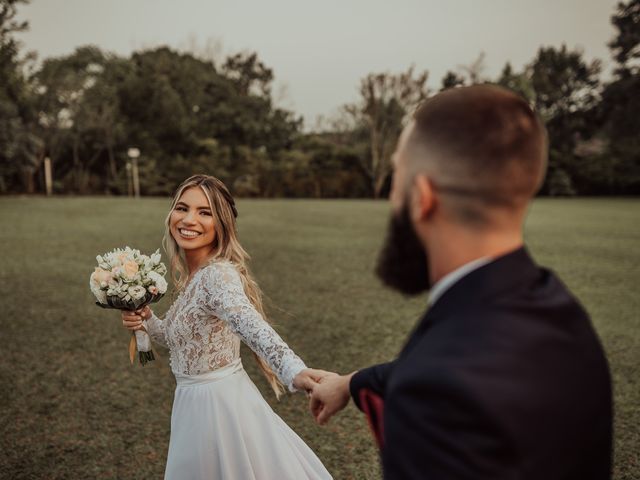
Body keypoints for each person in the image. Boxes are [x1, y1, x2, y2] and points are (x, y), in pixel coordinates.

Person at [309, 85, 612, 479]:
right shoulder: (559, 311)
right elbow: (445, 366)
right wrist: (350, 383)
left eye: (398, 175)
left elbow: (438, 378)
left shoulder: (435, 394)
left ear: (422, 196)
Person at [121, 174, 333, 480]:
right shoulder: (195, 276)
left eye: (204, 212)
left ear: (221, 224)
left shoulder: (217, 277)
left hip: (219, 408)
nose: (189, 219)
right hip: (192, 404)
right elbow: (175, 337)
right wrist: (145, 317)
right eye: (182, 208)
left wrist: (293, 370)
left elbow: (250, 325)